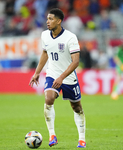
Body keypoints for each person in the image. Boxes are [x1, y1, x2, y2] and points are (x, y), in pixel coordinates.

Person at [29, 8, 86, 148]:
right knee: (49, 98)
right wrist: (37, 72)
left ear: (59, 21)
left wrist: (61, 77)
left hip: (68, 77)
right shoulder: (44, 35)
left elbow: (76, 62)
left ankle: (82, 139)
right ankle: (52, 135)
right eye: (47, 19)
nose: (47, 21)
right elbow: (45, 53)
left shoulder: (70, 37)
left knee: (77, 107)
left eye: (51, 19)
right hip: (52, 73)